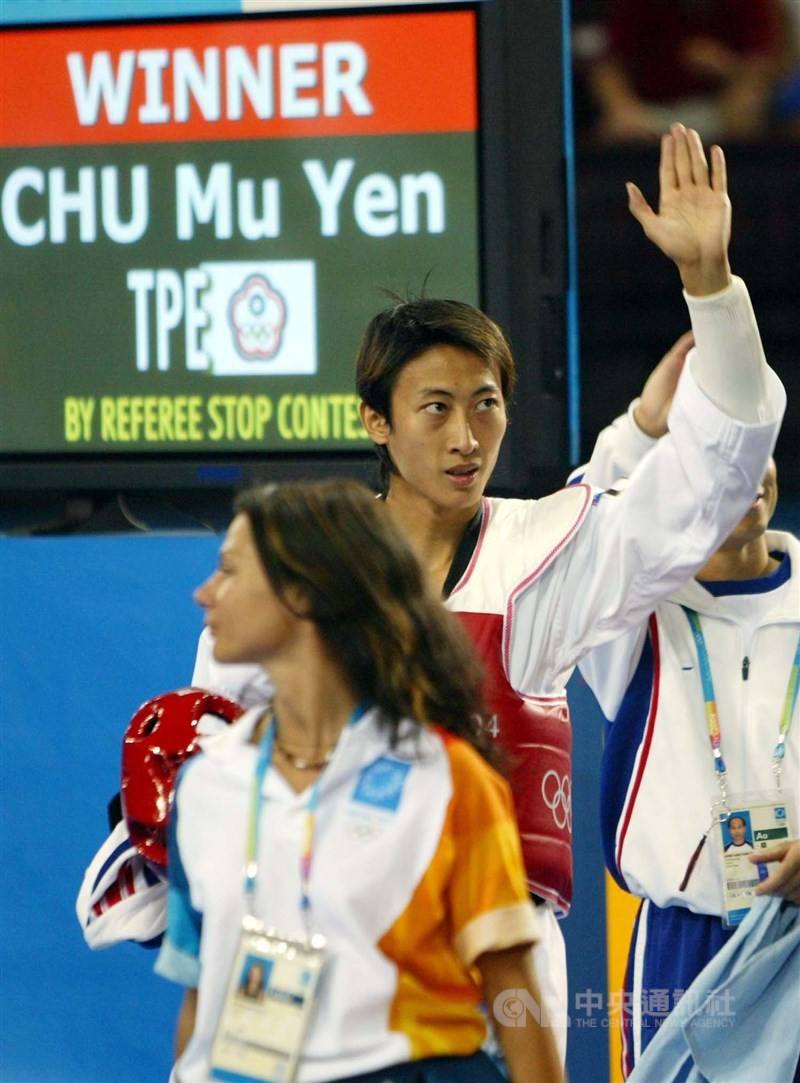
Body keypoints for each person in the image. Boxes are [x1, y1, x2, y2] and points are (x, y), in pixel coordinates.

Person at [79, 124, 786, 1057]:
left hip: (487, 945)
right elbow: (219, 740)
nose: (466, 437)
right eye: (436, 408)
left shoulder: (552, 547)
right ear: (375, 420)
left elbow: (715, 475)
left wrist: (712, 287)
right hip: (301, 933)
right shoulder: (297, 565)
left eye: (485, 403)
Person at [155, 479, 562, 1083]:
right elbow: (199, 996)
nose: (204, 592)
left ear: (303, 592)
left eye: (230, 571)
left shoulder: (448, 781)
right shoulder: (204, 786)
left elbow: (514, 995)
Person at [571, 332, 799, 1076]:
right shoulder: (633, 617)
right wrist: (640, 429)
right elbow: (581, 539)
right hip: (685, 937)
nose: (741, 476)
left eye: (751, 449)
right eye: (714, 457)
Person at [588, 0, 783, 143]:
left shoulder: (750, 5)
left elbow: (764, 65)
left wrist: (727, 66)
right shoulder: (636, 5)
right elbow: (608, 65)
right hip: (650, 111)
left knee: (748, 108)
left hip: (719, 111)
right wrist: (623, 107)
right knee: (613, 130)